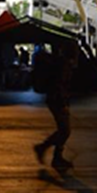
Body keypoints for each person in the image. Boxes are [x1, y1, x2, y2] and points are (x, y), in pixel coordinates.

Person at [34, 43, 78, 171]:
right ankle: (49, 152)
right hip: (57, 100)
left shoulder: (61, 62)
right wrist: (63, 103)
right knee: (65, 130)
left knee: (63, 130)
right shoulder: (64, 65)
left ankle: (52, 154)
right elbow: (60, 86)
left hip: (54, 99)